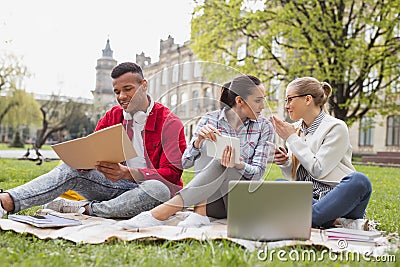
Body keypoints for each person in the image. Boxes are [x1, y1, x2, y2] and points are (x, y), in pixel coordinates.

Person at [0, 62, 186, 219]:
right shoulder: (113, 116)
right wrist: (83, 162)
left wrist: (128, 173)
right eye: (116, 91)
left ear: (144, 85)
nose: (121, 97)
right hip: (116, 188)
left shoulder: (170, 123)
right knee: (69, 168)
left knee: (159, 190)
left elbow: (172, 175)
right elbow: (93, 149)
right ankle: (6, 201)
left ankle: (84, 209)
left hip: (151, 191)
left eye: (127, 89)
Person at [117, 75, 274, 229]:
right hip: (212, 203)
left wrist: (238, 164)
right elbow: (185, 163)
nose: (263, 106)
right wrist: (198, 142)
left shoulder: (264, 127)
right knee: (206, 144)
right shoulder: (209, 119)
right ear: (240, 101)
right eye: (258, 100)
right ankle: (200, 213)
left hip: (241, 200)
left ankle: (160, 213)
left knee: (223, 159)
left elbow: (259, 173)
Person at [271, 77, 372, 230]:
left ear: (307, 99)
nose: (287, 106)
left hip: (338, 200)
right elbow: (295, 178)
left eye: (290, 99)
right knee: (279, 185)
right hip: (309, 198)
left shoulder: (336, 127)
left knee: (360, 181)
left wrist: (291, 139)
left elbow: (318, 170)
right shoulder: (296, 129)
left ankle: (308, 218)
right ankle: (335, 222)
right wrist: (286, 163)